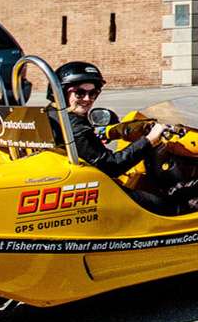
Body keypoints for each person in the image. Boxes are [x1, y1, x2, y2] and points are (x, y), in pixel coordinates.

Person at [51, 61, 184, 211]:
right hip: (94, 192)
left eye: (93, 93)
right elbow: (112, 166)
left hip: (70, 183)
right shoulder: (75, 127)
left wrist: (100, 135)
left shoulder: (51, 117)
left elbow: (86, 147)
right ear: (62, 93)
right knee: (166, 206)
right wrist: (148, 141)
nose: (88, 99)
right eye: (80, 93)